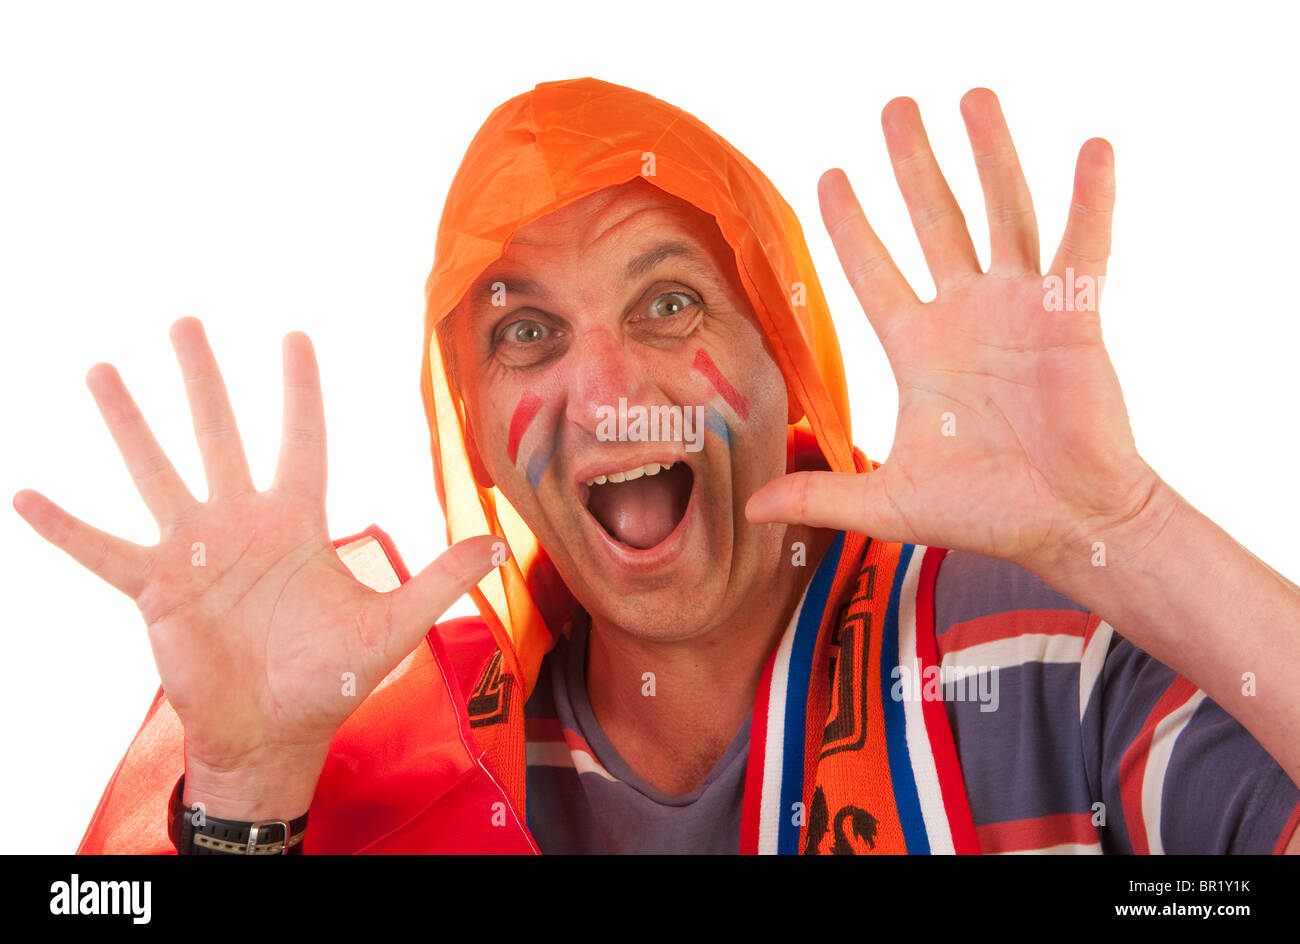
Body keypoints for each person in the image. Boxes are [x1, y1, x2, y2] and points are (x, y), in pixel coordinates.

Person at [17, 77, 1298, 854]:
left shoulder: (1027, 644)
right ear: (478, 436)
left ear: (782, 357)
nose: (610, 390)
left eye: (670, 303)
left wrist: (1121, 527)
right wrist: (244, 795)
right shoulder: (416, 752)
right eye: (525, 332)